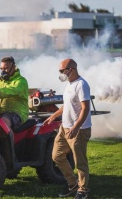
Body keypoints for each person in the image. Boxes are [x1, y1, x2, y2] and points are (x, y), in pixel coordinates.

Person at [43, 58, 92, 199]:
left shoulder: (81, 85)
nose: (60, 73)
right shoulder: (69, 85)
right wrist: (54, 116)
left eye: (62, 70)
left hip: (79, 130)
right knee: (56, 156)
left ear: (71, 69)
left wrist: (76, 127)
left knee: (80, 162)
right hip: (64, 128)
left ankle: (83, 190)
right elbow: (67, 106)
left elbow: (85, 108)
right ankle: (73, 184)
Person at [0, 56, 29, 130]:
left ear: (14, 67)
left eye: (6, 68)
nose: (3, 71)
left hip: (16, 113)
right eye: (1, 69)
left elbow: (12, 90)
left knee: (3, 123)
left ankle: (8, 141)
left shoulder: (21, 81)